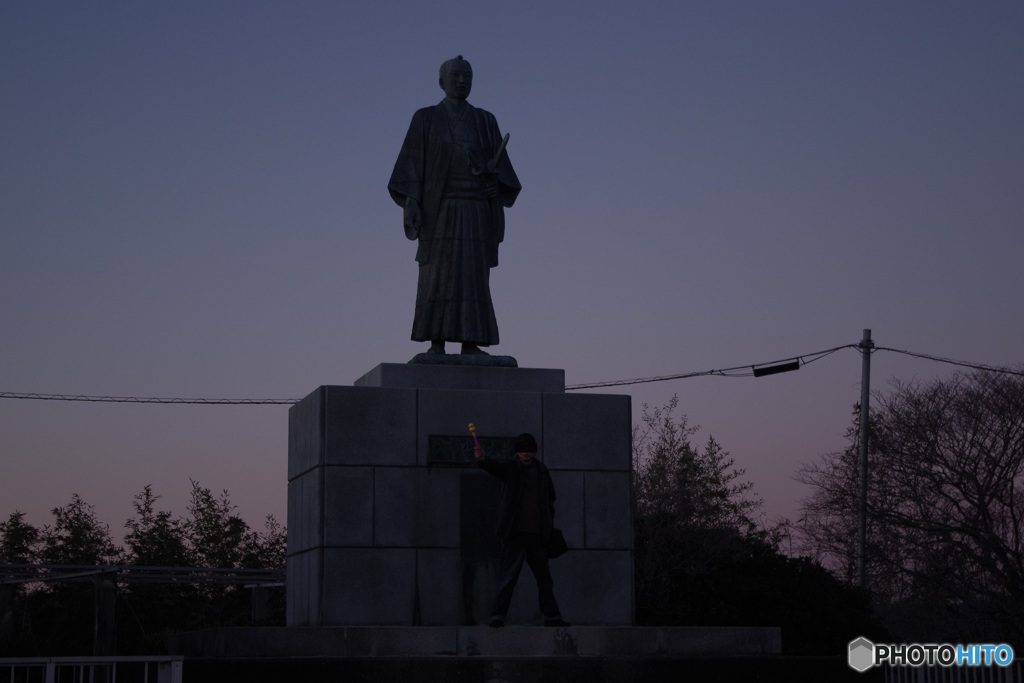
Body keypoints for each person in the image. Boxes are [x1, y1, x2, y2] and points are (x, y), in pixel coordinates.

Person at [388, 56, 521, 356]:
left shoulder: (486, 121)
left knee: (473, 278)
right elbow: (409, 169)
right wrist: (411, 203)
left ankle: (470, 343)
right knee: (437, 275)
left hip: (475, 211)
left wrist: (494, 183)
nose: (462, 81)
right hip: (440, 210)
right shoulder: (425, 118)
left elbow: (504, 176)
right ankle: (436, 342)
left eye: (467, 76)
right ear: (442, 82)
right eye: (456, 75)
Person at [473, 432, 569, 627]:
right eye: (523, 451)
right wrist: (483, 459)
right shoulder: (511, 468)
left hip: (538, 535)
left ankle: (552, 616)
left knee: (544, 578)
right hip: (516, 533)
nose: (526, 454)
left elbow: (550, 498)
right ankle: (498, 616)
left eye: (529, 450)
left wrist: (548, 524)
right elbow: (495, 468)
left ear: (534, 451)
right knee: (508, 577)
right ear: (517, 452)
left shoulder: (542, 471)